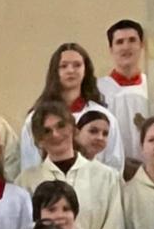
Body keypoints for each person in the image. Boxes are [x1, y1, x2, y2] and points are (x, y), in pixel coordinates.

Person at [17, 100, 125, 229]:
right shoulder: (26, 181)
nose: (55, 134)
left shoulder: (107, 177)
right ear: (39, 141)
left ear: (74, 130)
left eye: (61, 126)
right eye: (47, 131)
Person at [20, 42, 122, 172]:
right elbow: (29, 166)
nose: (70, 70)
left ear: (86, 70)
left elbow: (115, 165)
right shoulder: (36, 118)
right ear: (55, 71)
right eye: (63, 66)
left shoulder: (104, 117)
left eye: (77, 65)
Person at [97, 20, 150, 168]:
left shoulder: (153, 87)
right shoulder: (98, 89)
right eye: (119, 42)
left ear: (141, 45)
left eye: (132, 40)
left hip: (150, 167)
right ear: (111, 49)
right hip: (110, 168)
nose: (126, 47)